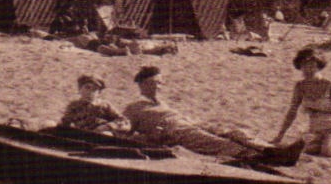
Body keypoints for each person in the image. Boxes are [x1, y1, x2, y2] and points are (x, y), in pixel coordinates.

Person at [124, 66, 296, 162]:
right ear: (142, 85)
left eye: (160, 83)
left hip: (189, 123)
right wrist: (151, 136)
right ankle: (259, 157)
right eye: (154, 83)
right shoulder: (134, 107)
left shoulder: (162, 103)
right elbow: (125, 131)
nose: (159, 87)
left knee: (232, 131)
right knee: (217, 142)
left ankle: (270, 150)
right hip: (174, 132)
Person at [273, 48, 331, 156]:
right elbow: (292, 112)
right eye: (304, 66)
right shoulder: (300, 86)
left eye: (312, 66)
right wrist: (280, 136)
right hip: (316, 131)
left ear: (319, 66)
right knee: (301, 149)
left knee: (328, 151)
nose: (308, 70)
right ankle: (325, 144)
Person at [58, 75, 127, 134]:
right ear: (79, 89)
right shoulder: (74, 105)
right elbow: (65, 123)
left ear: (99, 93)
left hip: (101, 136)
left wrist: (108, 126)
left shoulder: (104, 105)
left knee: (106, 134)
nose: (90, 92)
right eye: (87, 87)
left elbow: (122, 120)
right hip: (82, 135)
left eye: (94, 89)